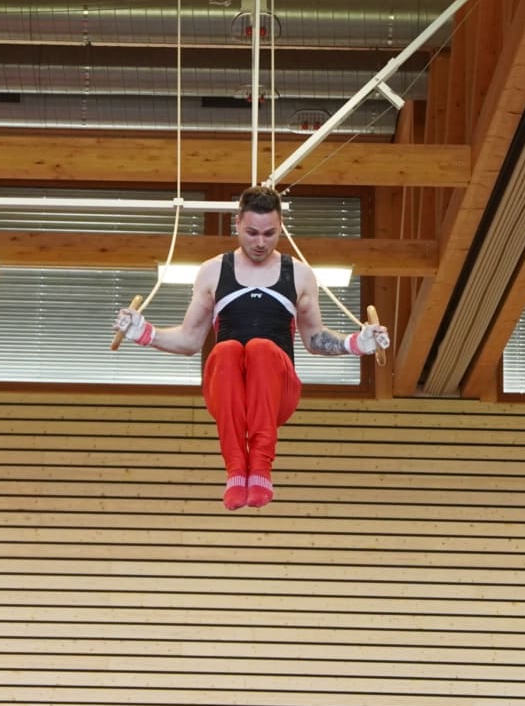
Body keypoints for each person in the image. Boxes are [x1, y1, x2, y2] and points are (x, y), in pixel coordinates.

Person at [113, 185, 389, 511]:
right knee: (226, 350)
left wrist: (358, 343)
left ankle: (260, 468)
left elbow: (314, 339)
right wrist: (143, 332)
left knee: (260, 348)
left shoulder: (299, 274)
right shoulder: (213, 271)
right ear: (237, 224)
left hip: (277, 394)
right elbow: (190, 340)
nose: (260, 243)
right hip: (228, 390)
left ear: (281, 225)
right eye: (252, 233)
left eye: (270, 233)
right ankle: (236, 471)